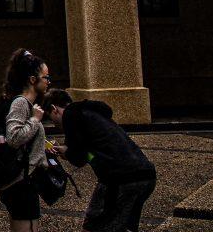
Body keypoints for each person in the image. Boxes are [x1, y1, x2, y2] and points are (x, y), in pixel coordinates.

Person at [44, 89, 157, 232]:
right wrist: (70, 150)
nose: (54, 124)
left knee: (93, 226)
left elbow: (78, 159)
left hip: (119, 179)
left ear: (54, 109)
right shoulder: (91, 113)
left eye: (50, 118)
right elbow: (90, 153)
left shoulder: (71, 115)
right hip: (145, 175)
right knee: (125, 227)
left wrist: (68, 152)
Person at [0, 49, 53, 232]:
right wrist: (35, 120)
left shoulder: (27, 105)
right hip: (21, 181)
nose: (48, 82)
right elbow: (14, 137)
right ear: (32, 80)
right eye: (45, 77)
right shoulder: (20, 103)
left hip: (25, 178)